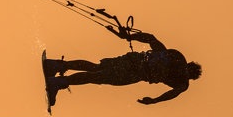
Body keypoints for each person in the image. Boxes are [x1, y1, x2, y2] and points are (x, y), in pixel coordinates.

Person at [44, 26, 202, 107]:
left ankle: (57, 65)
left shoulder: (177, 56)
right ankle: (57, 82)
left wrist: (128, 36)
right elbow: (171, 94)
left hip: (132, 60)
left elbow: (151, 39)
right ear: (191, 77)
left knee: (96, 68)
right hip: (134, 73)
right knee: (96, 76)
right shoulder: (183, 83)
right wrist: (154, 101)